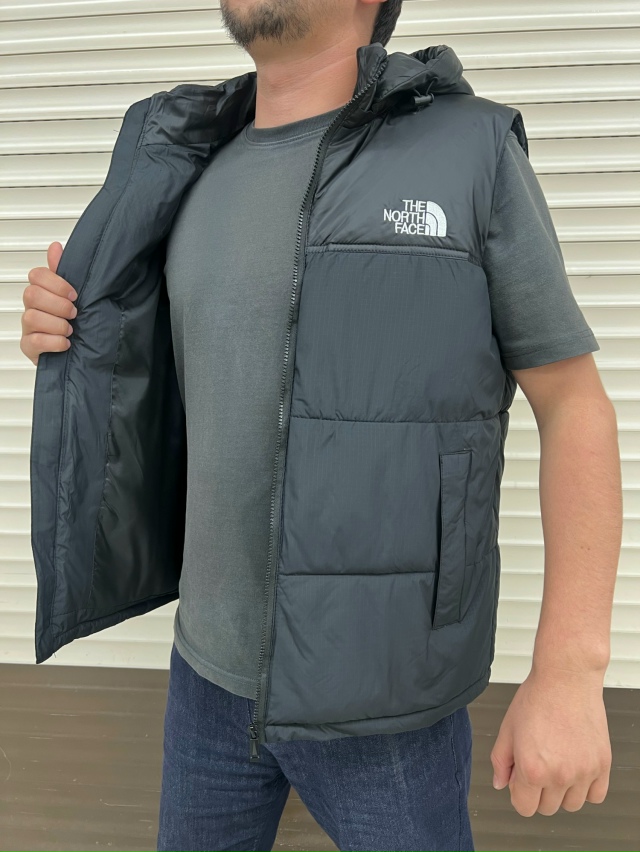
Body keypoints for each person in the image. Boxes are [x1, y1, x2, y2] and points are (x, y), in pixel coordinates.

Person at [21, 2, 621, 850]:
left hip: (388, 704)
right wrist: (69, 331)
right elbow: (170, 370)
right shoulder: (182, 160)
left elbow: (574, 405)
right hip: (205, 687)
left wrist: (569, 670)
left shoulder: (471, 152)